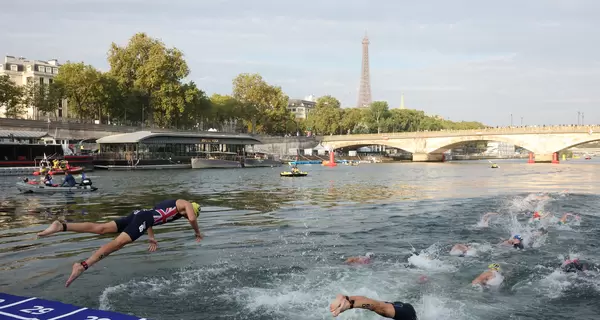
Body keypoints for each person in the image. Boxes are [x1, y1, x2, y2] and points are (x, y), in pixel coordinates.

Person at [36, 199, 202, 287]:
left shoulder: (172, 206)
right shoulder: (185, 203)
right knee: (118, 243)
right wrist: (197, 232)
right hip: (143, 218)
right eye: (187, 215)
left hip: (139, 215)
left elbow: (151, 216)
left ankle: (62, 226)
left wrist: (151, 236)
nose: (187, 217)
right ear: (192, 208)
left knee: (101, 228)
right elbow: (193, 218)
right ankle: (83, 265)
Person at [329, 294, 417, 320]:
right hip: (408, 315)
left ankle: (347, 299)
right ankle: (350, 304)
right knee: (378, 307)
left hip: (403, 306)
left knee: (376, 304)